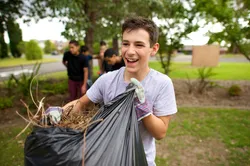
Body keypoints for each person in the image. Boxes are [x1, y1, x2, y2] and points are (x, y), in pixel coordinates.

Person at [62, 17, 177, 165]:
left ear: (153, 49)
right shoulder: (107, 80)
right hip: (105, 159)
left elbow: (160, 132)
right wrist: (59, 113)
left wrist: (144, 110)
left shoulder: (162, 84)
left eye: (139, 45)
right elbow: (80, 103)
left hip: (139, 161)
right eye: (125, 44)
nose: (129, 51)